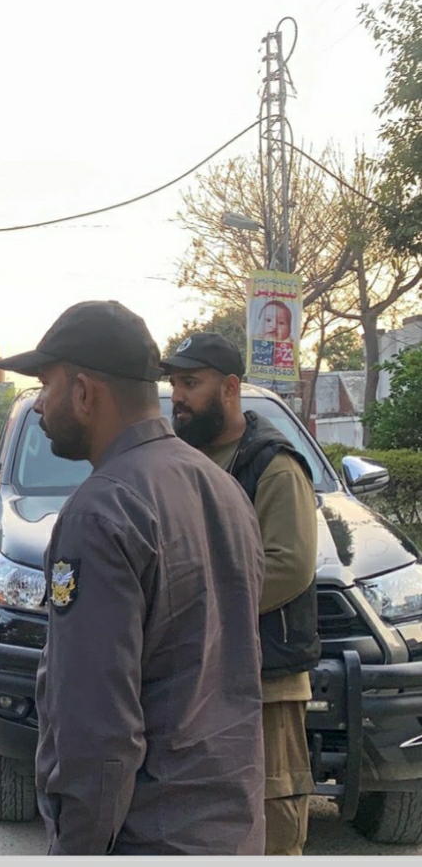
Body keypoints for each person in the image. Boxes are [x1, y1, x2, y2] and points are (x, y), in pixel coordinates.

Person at [0, 301, 267, 855]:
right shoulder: (222, 487)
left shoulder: (101, 512)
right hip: (233, 826)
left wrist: (75, 849)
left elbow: (97, 728)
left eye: (46, 385)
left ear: (84, 393)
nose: (40, 404)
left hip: (151, 834)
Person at [163, 332, 320, 856]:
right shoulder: (181, 462)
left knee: (272, 829)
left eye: (190, 383)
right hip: (198, 681)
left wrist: (194, 609)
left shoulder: (273, 464)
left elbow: (288, 567)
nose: (177, 397)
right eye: (173, 384)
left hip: (267, 682)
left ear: (230, 388)